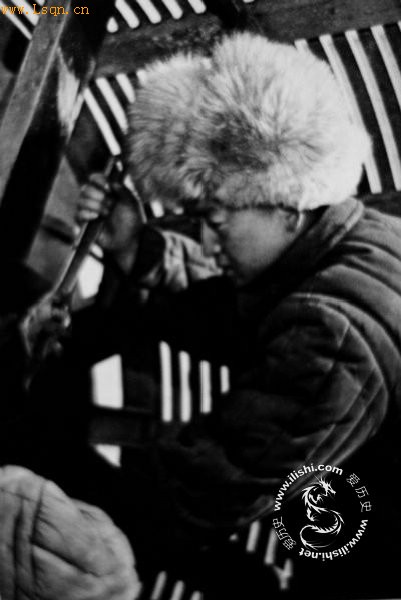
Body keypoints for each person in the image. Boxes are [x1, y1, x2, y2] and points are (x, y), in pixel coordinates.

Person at [74, 32, 401, 598]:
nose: (206, 238)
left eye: (216, 219)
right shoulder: (354, 241)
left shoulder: (333, 333)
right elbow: (229, 310)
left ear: (287, 206)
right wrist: (135, 249)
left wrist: (48, 474)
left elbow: (203, 494)